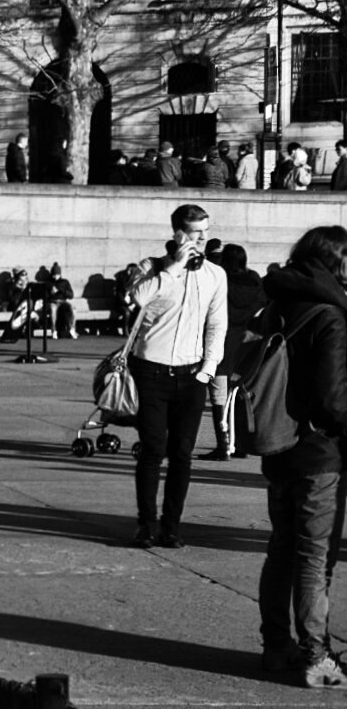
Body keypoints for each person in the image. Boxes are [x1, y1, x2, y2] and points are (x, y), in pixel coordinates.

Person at [256, 225, 347, 687]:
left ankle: (276, 646)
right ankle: (317, 655)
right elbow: (334, 398)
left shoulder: (277, 304)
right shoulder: (329, 314)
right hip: (319, 452)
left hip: (278, 445)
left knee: (281, 551)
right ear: (336, 262)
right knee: (315, 557)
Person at [127, 204, 228, 549]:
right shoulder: (151, 268)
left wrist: (207, 370)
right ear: (178, 233)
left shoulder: (216, 274)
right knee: (153, 449)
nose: (203, 238)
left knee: (182, 453)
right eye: (195, 231)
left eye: (205, 230)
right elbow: (137, 298)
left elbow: (217, 324)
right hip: (150, 371)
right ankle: (146, 524)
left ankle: (171, 526)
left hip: (191, 376)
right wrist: (173, 267)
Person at [198, 245, 263, 461]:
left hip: (222, 343)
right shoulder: (255, 282)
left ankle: (223, 445)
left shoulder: (221, 282)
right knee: (237, 397)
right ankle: (239, 444)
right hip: (246, 345)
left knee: (218, 398)